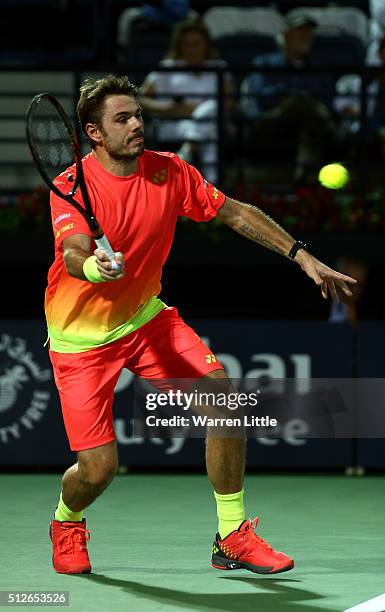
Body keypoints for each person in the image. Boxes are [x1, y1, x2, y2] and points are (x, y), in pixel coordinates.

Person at [48, 74, 357, 576]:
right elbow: (74, 251)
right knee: (99, 471)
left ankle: (232, 536)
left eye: (138, 115)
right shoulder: (70, 186)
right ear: (95, 132)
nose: (136, 125)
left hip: (145, 318)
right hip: (79, 340)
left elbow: (234, 213)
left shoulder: (169, 171)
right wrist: (93, 268)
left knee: (223, 398)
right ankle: (67, 520)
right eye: (122, 119)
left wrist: (301, 256)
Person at [240, 11, 335, 185]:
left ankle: (303, 173)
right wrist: (295, 98)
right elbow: (261, 96)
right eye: (299, 32)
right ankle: (306, 175)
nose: (304, 37)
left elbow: (327, 99)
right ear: (285, 35)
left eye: (308, 33)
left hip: (310, 123)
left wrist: (292, 96)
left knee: (310, 113)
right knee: (304, 105)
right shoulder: (265, 62)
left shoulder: (319, 67)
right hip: (272, 121)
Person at [139, 17, 235, 184]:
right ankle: (214, 189)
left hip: (212, 123)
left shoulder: (218, 67)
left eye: (196, 43)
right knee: (210, 128)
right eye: (187, 44)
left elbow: (229, 103)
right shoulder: (167, 68)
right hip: (173, 125)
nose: (192, 49)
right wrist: (169, 108)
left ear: (206, 45)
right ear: (179, 46)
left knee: (212, 111)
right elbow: (140, 100)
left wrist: (198, 110)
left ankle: (187, 151)